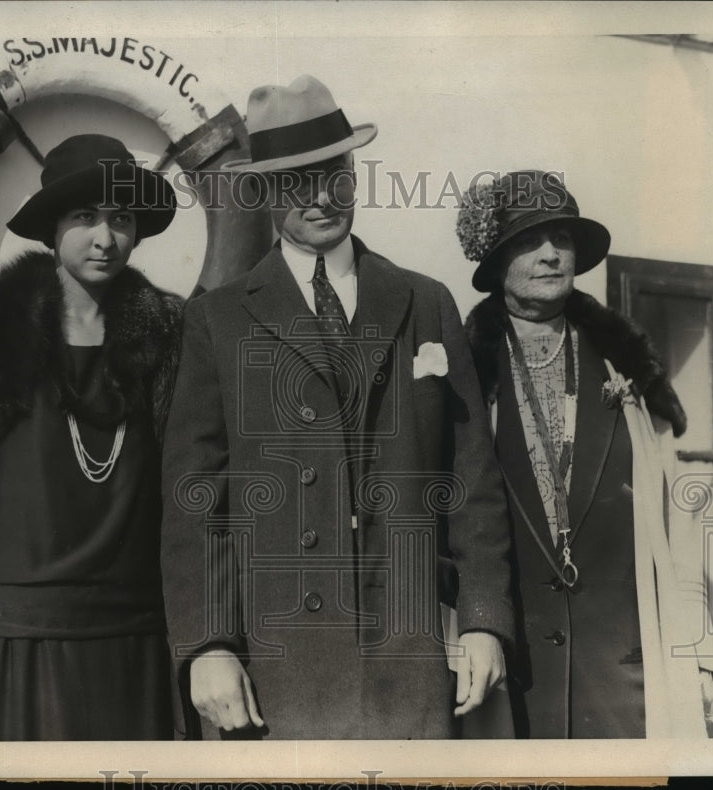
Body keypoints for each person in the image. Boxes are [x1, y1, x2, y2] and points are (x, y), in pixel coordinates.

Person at [160, 75, 514, 739]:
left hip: (409, 661)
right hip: (277, 669)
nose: (321, 196)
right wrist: (208, 646)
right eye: (297, 180)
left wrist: (486, 621)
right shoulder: (217, 321)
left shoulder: (426, 302)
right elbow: (193, 503)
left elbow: (473, 485)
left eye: (336, 174)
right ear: (262, 190)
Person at [0, 134, 183, 740]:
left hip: (130, 634)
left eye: (121, 219)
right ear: (52, 228)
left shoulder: (168, 333)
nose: (105, 238)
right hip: (12, 637)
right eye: (85, 218)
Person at [456, 169, 713, 738]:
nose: (551, 255)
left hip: (624, 679)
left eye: (563, 240)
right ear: (497, 263)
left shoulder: (623, 370)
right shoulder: (466, 379)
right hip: (512, 677)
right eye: (529, 242)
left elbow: (677, 521)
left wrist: (698, 652)